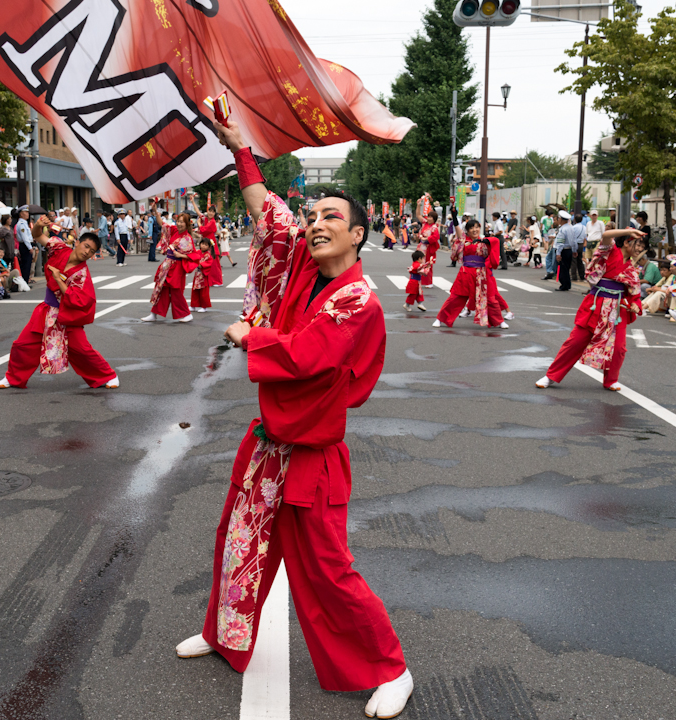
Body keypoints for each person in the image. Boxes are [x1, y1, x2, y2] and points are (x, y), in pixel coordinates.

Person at [175, 118, 414, 720]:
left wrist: (249, 335)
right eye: (314, 216)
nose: (316, 223)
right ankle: (224, 633)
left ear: (359, 235)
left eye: (332, 216)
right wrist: (241, 149)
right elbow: (272, 217)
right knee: (238, 543)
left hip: (312, 456)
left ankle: (392, 670)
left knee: (330, 570)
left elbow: (308, 355)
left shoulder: (358, 298)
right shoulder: (304, 272)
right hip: (268, 445)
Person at [0, 220, 118, 390]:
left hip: (66, 314)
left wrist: (59, 279)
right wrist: (38, 224)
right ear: (77, 243)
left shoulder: (82, 274)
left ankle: (108, 375)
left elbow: (79, 299)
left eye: (91, 251)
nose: (87, 252)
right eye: (86, 246)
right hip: (47, 310)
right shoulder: (60, 248)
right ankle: (13, 378)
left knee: (81, 349)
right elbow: (38, 235)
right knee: (23, 344)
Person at [536, 228, 647, 392]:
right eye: (637, 244)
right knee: (575, 341)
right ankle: (551, 376)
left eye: (642, 246)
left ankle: (611, 380)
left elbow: (634, 292)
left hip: (617, 309)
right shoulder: (611, 251)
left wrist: (636, 304)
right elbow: (606, 235)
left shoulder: (632, 267)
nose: (639, 249)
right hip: (597, 304)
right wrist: (628, 230)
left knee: (619, 348)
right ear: (626, 241)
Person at [433, 209, 507, 329]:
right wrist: (455, 217)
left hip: (481, 273)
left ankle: (499, 321)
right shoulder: (463, 240)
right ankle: (440, 319)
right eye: (471, 228)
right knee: (456, 297)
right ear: (467, 230)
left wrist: (483, 240)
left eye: (477, 227)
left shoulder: (485, 240)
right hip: (466, 272)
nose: (474, 230)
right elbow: (457, 229)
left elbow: (495, 241)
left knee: (490, 298)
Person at [141, 213, 200, 323]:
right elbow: (162, 223)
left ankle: (186, 314)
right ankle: (154, 314)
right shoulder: (174, 230)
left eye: (182, 222)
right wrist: (156, 213)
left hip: (177, 266)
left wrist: (181, 255)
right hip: (168, 264)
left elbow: (194, 255)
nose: (179, 224)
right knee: (162, 288)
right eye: (178, 221)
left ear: (187, 224)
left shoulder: (187, 238)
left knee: (176, 290)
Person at [416, 210, 440, 287]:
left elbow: (435, 237)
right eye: (428, 216)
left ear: (434, 219)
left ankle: (429, 282)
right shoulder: (425, 223)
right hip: (422, 246)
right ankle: (419, 279)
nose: (429, 218)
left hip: (428, 247)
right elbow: (418, 215)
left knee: (428, 264)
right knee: (419, 263)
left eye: (431, 217)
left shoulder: (434, 227)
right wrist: (418, 205)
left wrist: (425, 239)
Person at [190, 238, 215, 312]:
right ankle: (193, 306)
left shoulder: (208, 256)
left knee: (204, 292)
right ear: (200, 244)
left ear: (209, 247)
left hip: (203, 275)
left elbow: (209, 263)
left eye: (206, 245)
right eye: (202, 244)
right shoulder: (197, 252)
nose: (203, 246)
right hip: (197, 274)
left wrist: (201, 265)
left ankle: (204, 307)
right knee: (194, 291)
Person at [554, 210, 576, 291]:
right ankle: (567, 284)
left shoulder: (562, 229)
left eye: (559, 218)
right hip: (569, 250)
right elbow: (574, 241)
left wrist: (558, 253)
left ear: (561, 219)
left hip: (563, 250)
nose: (558, 220)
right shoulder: (571, 228)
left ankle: (564, 285)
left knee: (562, 268)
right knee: (567, 268)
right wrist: (574, 250)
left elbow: (560, 242)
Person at [15, 206, 35, 283]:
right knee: (26, 265)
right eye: (25, 212)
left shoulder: (25, 223)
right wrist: (30, 248)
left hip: (26, 245)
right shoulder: (22, 223)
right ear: (21, 214)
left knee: (28, 264)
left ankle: (25, 281)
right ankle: (25, 281)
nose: (27, 214)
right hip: (25, 246)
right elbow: (24, 238)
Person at [569, 213, 588, 282]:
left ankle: (574, 276)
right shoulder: (584, 227)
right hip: (581, 244)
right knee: (580, 260)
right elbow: (585, 237)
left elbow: (571, 237)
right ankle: (582, 276)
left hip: (575, 244)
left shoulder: (573, 227)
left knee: (574, 261)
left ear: (574, 219)